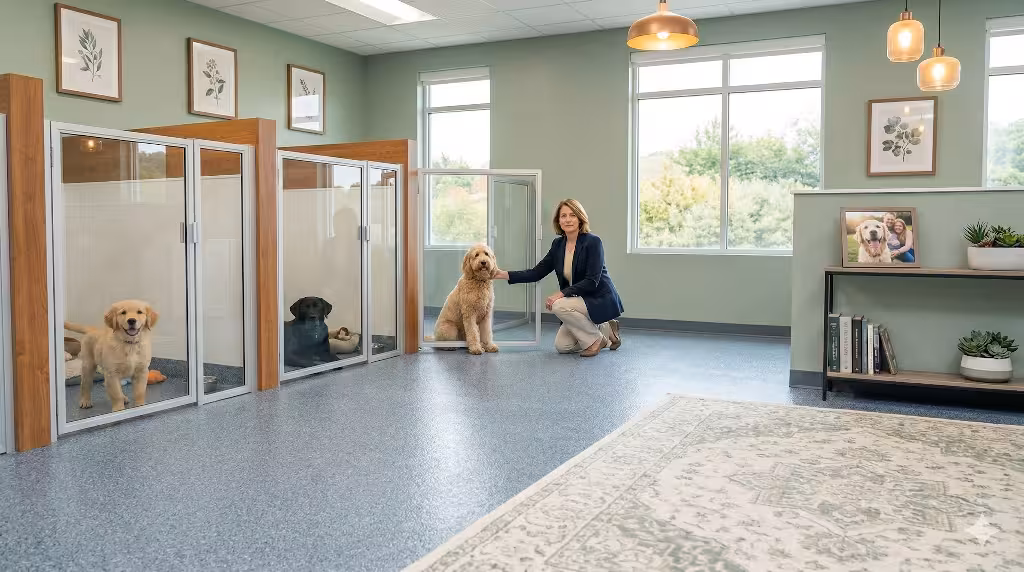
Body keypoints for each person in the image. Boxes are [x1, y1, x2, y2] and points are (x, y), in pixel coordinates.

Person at [492, 199, 624, 357]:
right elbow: (537, 272)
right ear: (558, 221)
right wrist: (502, 274)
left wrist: (561, 294)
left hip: (598, 298)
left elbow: (592, 281)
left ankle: (596, 340)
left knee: (558, 305)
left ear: (580, 218)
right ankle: (606, 329)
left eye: (572, 215)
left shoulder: (593, 242)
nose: (568, 219)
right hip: (576, 302)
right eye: (563, 216)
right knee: (563, 346)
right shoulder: (558, 245)